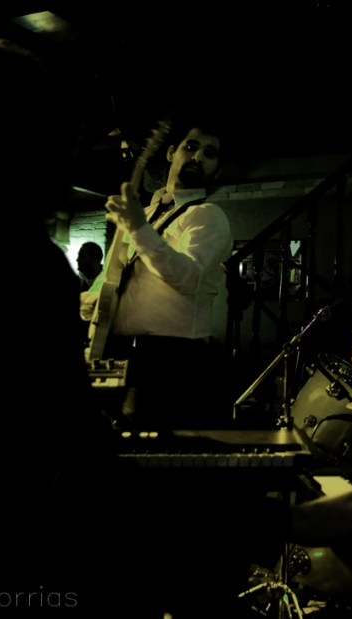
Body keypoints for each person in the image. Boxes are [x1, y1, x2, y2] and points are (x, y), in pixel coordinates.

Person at [0, 38, 352, 618]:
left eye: (210, 152)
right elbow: (87, 484)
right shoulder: (17, 262)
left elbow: (183, 279)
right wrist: (286, 521)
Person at [80, 118, 233, 430]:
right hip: (122, 353)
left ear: (217, 171)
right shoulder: (147, 213)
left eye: (209, 153)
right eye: (191, 147)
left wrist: (137, 227)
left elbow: (188, 277)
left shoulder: (208, 216)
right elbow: (114, 273)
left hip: (173, 361)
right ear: (171, 153)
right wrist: (91, 302)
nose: (198, 156)